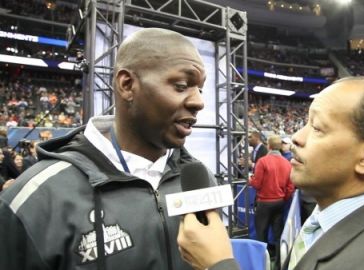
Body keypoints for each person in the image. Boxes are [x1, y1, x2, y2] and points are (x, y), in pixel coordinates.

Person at [0, 28, 214, 270]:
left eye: (200, 89)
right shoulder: (32, 201)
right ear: (127, 84)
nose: (199, 102)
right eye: (182, 85)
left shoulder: (200, 179)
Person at [177, 76, 364, 270]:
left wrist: (218, 265)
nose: (297, 138)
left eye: (318, 128)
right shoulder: (321, 221)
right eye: (304, 124)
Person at [249, 134, 294, 268]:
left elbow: (256, 184)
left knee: (261, 234)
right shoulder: (287, 163)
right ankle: (279, 264)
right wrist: (283, 198)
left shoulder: (262, 161)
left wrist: (250, 181)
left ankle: (262, 264)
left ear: (268, 145)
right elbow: (290, 186)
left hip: (264, 202)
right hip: (279, 202)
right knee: (278, 234)